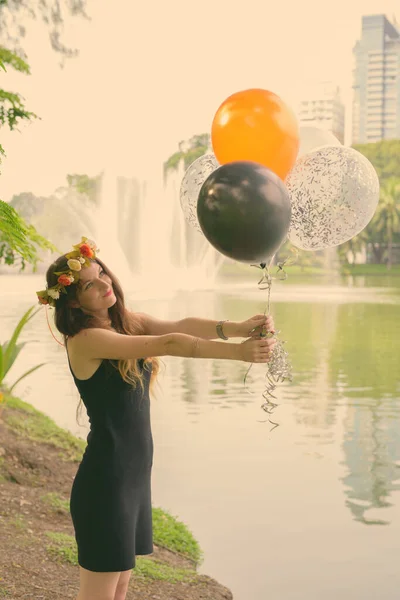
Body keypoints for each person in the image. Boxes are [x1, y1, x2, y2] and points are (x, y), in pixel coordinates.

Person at [36, 237, 276, 600]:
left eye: (102, 273)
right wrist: (239, 354)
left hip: (131, 478)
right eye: (90, 284)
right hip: (105, 483)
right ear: (72, 301)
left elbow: (182, 324)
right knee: (100, 592)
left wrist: (239, 327)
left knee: (119, 586)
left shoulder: (128, 324)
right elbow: (168, 342)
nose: (105, 284)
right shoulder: (86, 340)